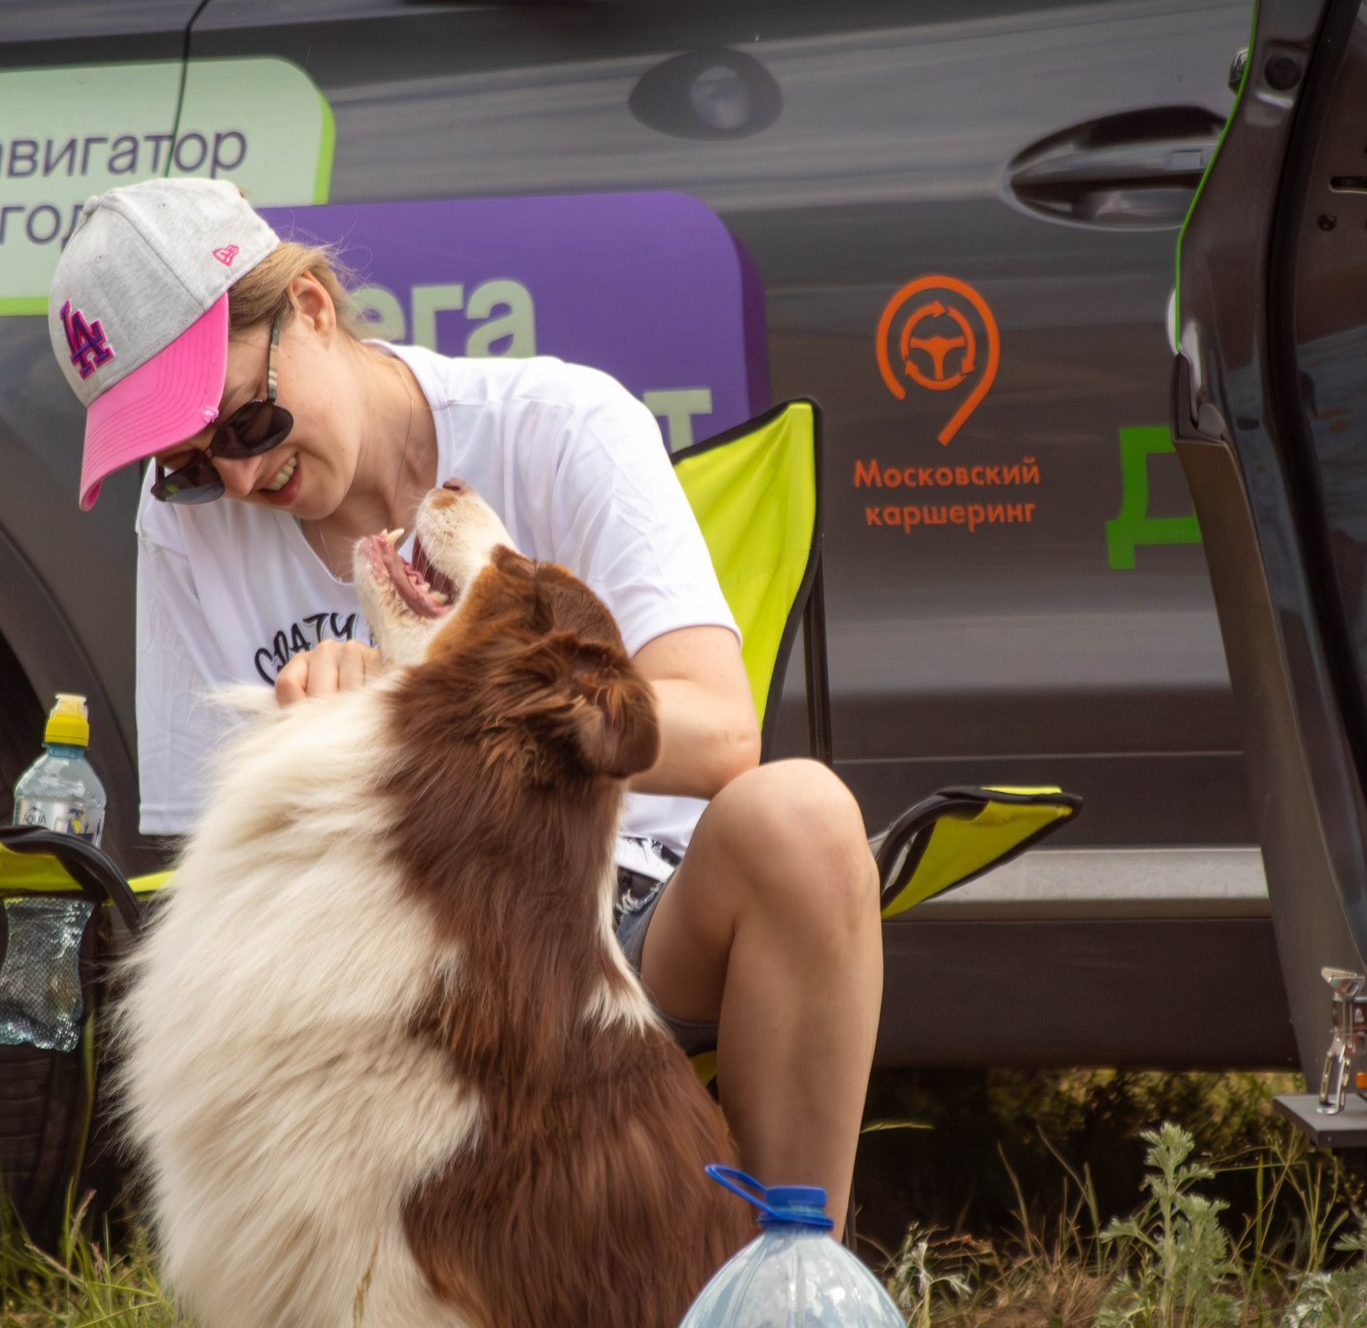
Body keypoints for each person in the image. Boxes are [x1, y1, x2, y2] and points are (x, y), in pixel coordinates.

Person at [46, 178, 880, 1230]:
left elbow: (721, 735)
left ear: (309, 307)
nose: (244, 474)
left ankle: (786, 1313)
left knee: (801, 818)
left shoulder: (559, 423)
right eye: (188, 463)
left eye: (246, 419)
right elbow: (201, 872)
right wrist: (299, 769)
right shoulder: (182, 529)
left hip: (622, 914)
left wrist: (425, 708)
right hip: (383, 963)